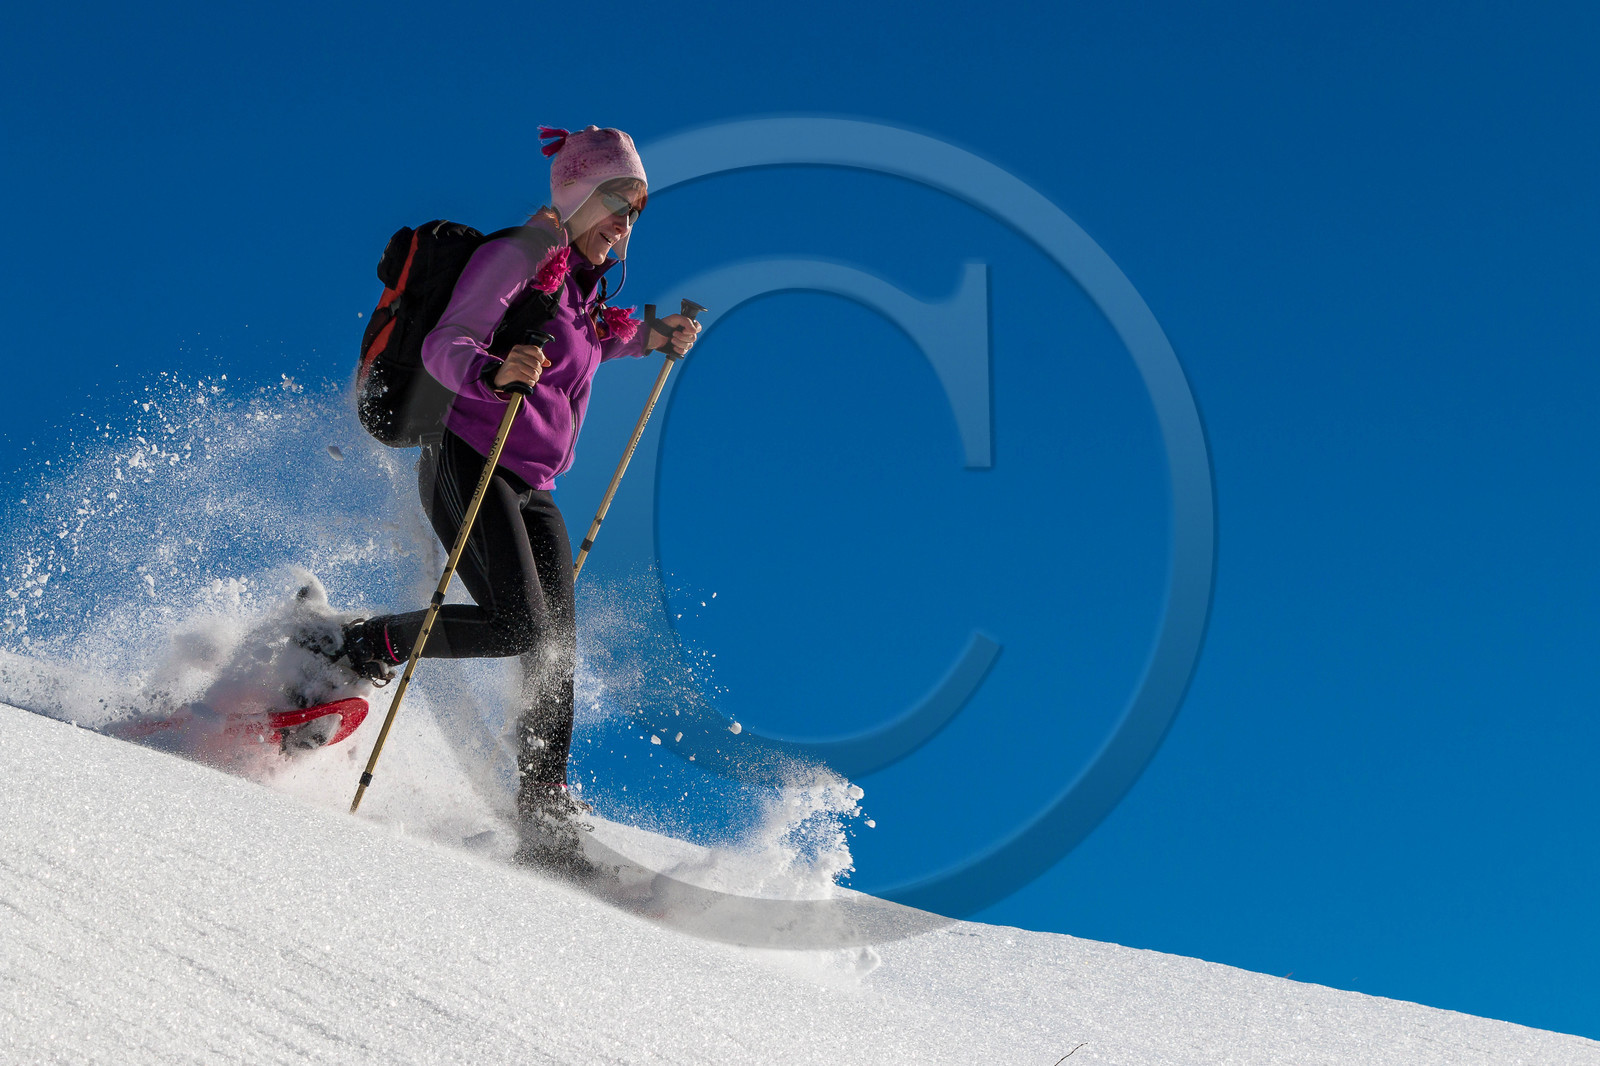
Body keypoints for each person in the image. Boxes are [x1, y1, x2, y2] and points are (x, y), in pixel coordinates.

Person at [334, 125, 699, 868]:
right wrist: (498, 371)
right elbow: (447, 343)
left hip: (533, 486)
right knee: (517, 626)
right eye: (614, 204)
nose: (625, 224)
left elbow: (599, 341)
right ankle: (365, 644)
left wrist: (661, 334)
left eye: (634, 211)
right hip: (468, 457)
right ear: (576, 197)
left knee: (555, 646)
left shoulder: (583, 293)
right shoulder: (521, 257)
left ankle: (543, 808)